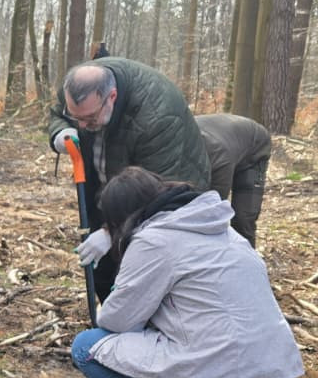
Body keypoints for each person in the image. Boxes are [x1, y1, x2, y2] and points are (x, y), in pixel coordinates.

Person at [70, 167, 303, 378]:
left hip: (227, 377)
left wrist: (114, 303)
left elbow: (118, 321)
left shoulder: (153, 241)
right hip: (265, 371)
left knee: (86, 346)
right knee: (195, 320)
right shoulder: (218, 227)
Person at [50, 59, 209, 300]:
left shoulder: (157, 117)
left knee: (143, 269)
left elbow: (158, 193)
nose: (81, 125)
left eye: (89, 118)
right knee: (102, 270)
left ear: (111, 97)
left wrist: (110, 234)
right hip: (110, 189)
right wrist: (61, 132)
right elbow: (56, 113)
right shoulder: (77, 89)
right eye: (75, 118)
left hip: (165, 197)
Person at [197, 113, 271, 247]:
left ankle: (245, 256)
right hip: (226, 139)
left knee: (243, 218)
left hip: (254, 149)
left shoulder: (218, 158)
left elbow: (215, 207)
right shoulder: (171, 145)